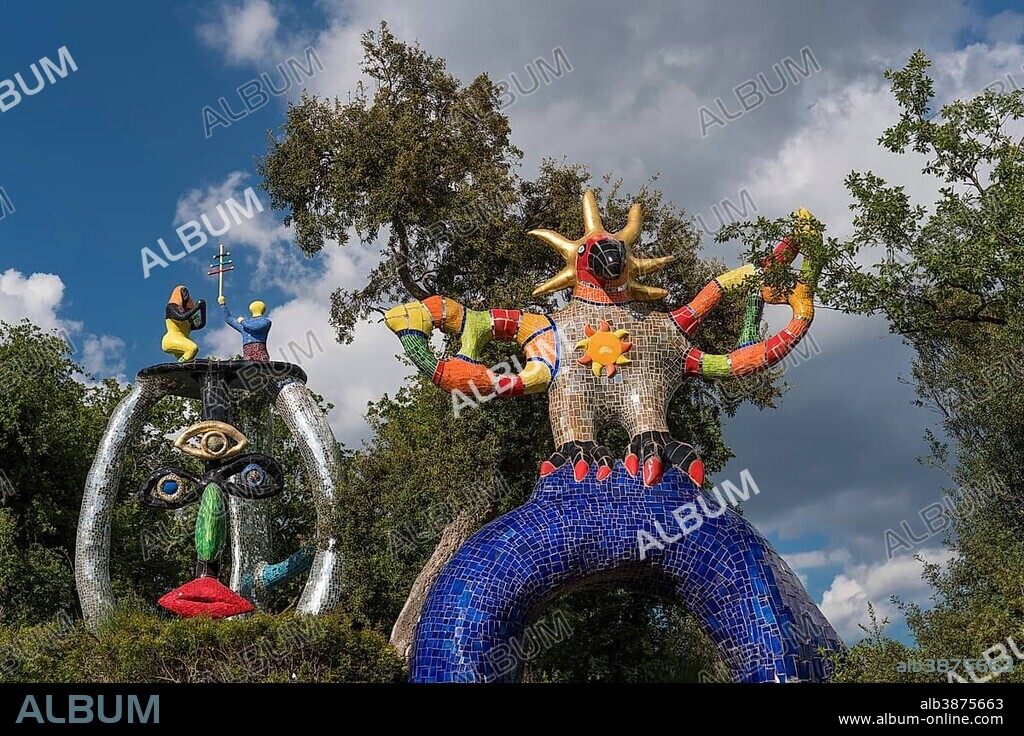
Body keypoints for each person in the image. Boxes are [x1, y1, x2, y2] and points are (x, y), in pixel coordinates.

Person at [219, 295, 271, 361]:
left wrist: (243, 322)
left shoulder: (265, 321)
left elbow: (254, 327)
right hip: (247, 351)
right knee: (248, 367)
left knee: (261, 366)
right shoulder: (245, 324)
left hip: (259, 348)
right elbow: (229, 319)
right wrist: (223, 305)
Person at [162, 285, 207, 362]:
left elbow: (200, 325)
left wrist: (203, 309)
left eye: (187, 292)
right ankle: (178, 367)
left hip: (183, 339)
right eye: (183, 292)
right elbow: (181, 317)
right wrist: (196, 307)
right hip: (171, 339)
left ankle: (179, 370)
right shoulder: (171, 307)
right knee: (192, 349)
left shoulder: (189, 311)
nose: (186, 295)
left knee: (189, 362)